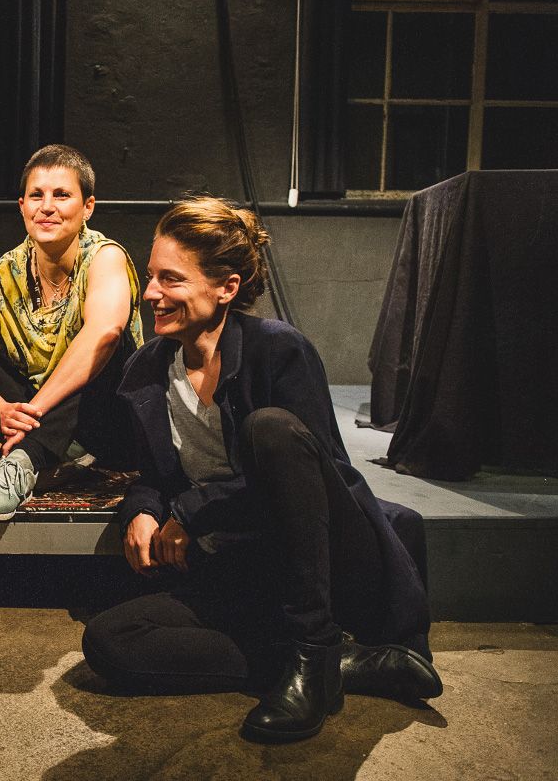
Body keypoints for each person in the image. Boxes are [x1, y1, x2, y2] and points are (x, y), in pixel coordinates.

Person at [80, 197, 442, 742]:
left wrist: (189, 510)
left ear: (226, 287)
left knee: (268, 428)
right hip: (240, 563)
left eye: (170, 279)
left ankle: (315, 645)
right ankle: (337, 664)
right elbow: (152, 476)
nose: (149, 293)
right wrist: (145, 511)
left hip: (322, 558)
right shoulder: (149, 369)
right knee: (111, 638)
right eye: (150, 276)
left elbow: (315, 477)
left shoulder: (279, 351)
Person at [0, 144, 143, 520]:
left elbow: (106, 331)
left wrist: (36, 410)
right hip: (37, 420)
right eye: (36, 196)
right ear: (22, 206)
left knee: (110, 341)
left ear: (87, 207)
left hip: (111, 424)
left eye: (62, 195)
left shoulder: (105, 256)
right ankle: (57, 454)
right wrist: (0, 408)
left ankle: (26, 460)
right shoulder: (5, 272)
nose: (47, 206)